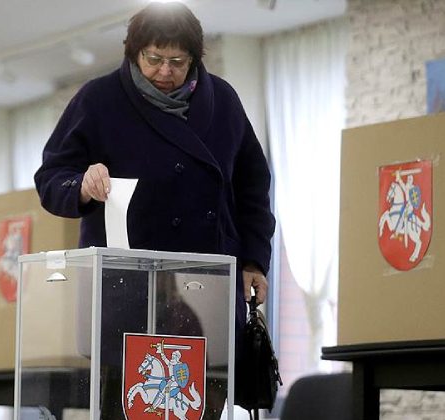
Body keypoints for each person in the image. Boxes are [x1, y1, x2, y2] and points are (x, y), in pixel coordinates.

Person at [34, 2, 275, 417]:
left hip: (208, 285)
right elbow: (51, 177)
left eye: (178, 62)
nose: (165, 71)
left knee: (198, 404)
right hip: (125, 288)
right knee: (127, 406)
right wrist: (83, 185)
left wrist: (254, 259)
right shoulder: (99, 99)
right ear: (134, 53)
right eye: (154, 59)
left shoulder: (223, 100)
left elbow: (253, 186)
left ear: (195, 58)